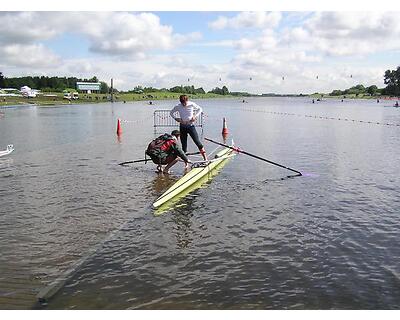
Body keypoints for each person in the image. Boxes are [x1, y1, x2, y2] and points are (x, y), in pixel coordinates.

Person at [169, 95, 208, 160]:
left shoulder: (191, 104)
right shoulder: (178, 106)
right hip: (182, 127)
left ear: (187, 100)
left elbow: (200, 109)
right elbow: (171, 113)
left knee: (197, 142)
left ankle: (205, 159)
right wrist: (176, 118)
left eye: (185, 103)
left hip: (191, 126)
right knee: (184, 146)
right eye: (182, 103)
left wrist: (195, 116)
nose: (184, 104)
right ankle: (186, 164)